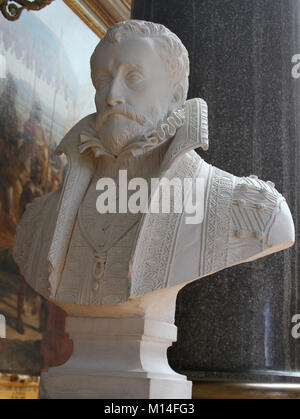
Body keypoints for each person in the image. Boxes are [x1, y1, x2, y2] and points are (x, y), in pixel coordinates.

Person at [14, 20, 295, 310]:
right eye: (102, 81)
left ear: (176, 96)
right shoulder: (39, 219)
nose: (111, 97)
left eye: (133, 78)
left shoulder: (250, 210)